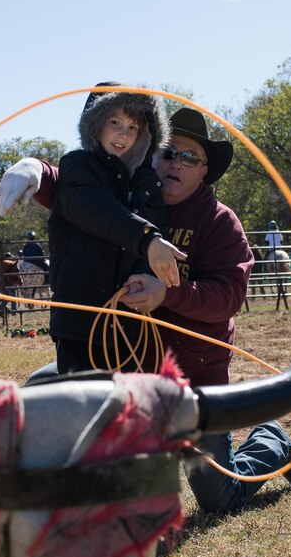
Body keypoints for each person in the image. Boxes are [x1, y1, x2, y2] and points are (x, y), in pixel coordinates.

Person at [0, 107, 291, 513]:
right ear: (150, 156)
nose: (174, 163)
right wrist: (38, 171)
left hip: (191, 379)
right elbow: (81, 196)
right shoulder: (128, 196)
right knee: (42, 388)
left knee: (219, 497)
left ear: (204, 172)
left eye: (189, 157)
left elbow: (227, 296)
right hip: (125, 362)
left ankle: (272, 440)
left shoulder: (219, 223)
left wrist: (167, 294)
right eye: (167, 152)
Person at [44, 83, 185, 373]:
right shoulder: (77, 166)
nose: (123, 134)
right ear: (96, 123)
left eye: (134, 127)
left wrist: (148, 277)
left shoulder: (147, 181)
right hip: (81, 322)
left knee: (124, 410)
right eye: (115, 122)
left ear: (145, 134)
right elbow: (95, 210)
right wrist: (147, 240)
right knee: (84, 408)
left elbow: (158, 233)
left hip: (129, 324)